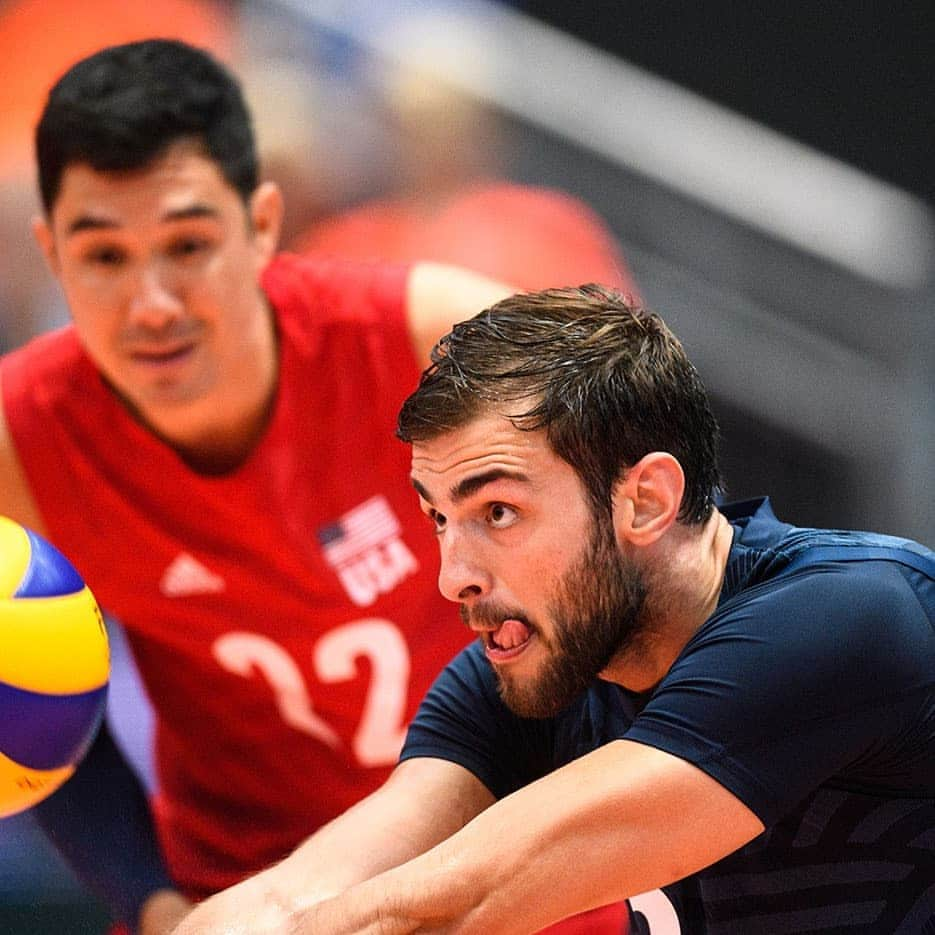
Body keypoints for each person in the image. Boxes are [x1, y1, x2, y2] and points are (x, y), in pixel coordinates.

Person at [172, 285, 935, 934]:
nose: (452, 578)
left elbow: (454, 899)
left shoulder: (849, 618)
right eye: (439, 517)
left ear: (645, 500)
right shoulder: (529, 668)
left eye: (497, 511)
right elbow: (303, 890)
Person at [0, 37, 518, 935]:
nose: (152, 301)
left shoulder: (446, 345)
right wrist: (158, 907)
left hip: (510, 866)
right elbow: (30, 716)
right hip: (236, 899)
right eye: (104, 257)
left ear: (264, 222)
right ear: (50, 251)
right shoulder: (20, 441)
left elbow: (635, 598)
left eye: (188, 243)